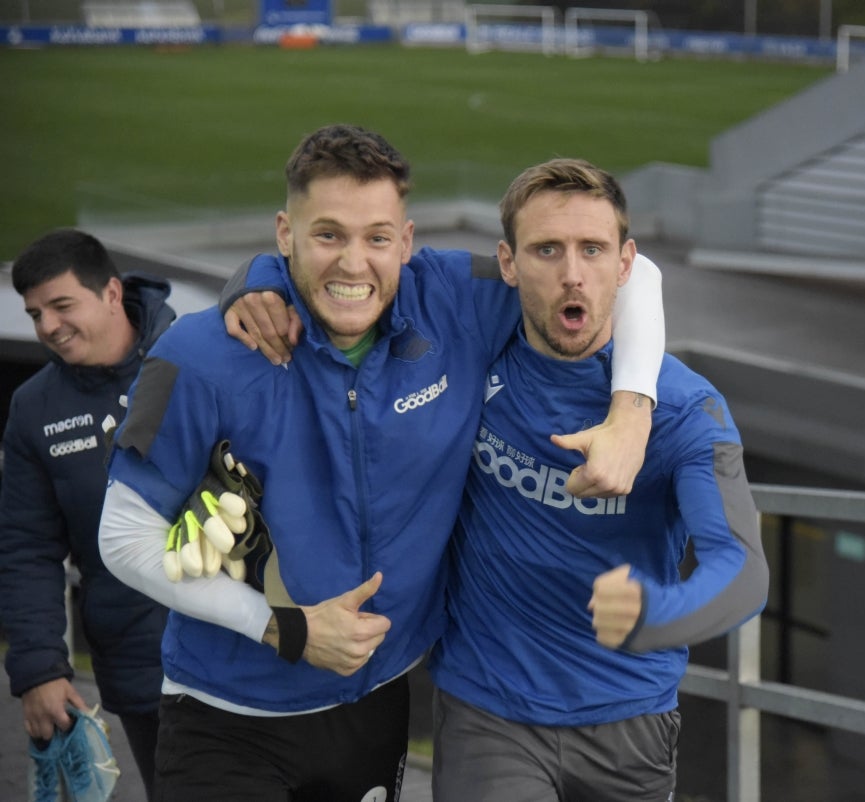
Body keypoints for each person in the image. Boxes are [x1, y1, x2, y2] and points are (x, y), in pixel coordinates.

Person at [97, 124, 665, 801]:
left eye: (376, 238)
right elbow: (121, 535)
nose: (353, 263)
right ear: (284, 234)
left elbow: (635, 273)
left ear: (407, 240)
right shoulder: (200, 353)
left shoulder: (453, 301)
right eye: (327, 234)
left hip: (377, 703)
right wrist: (283, 626)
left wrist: (632, 412)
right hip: (228, 712)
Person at [426, 158, 769, 801]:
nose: (571, 274)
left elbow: (744, 570)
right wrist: (257, 279)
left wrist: (655, 615)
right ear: (508, 262)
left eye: (592, 249)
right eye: (546, 250)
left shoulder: (688, 409)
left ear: (626, 263)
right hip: (488, 710)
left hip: (629, 719)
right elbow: (360, 265)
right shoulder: (473, 351)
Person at [0, 229, 173, 800]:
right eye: (34, 313)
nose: (47, 326)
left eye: (61, 305)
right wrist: (40, 670)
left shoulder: (196, 354)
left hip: (249, 644)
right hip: (143, 665)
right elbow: (27, 547)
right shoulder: (34, 409)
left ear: (112, 293)